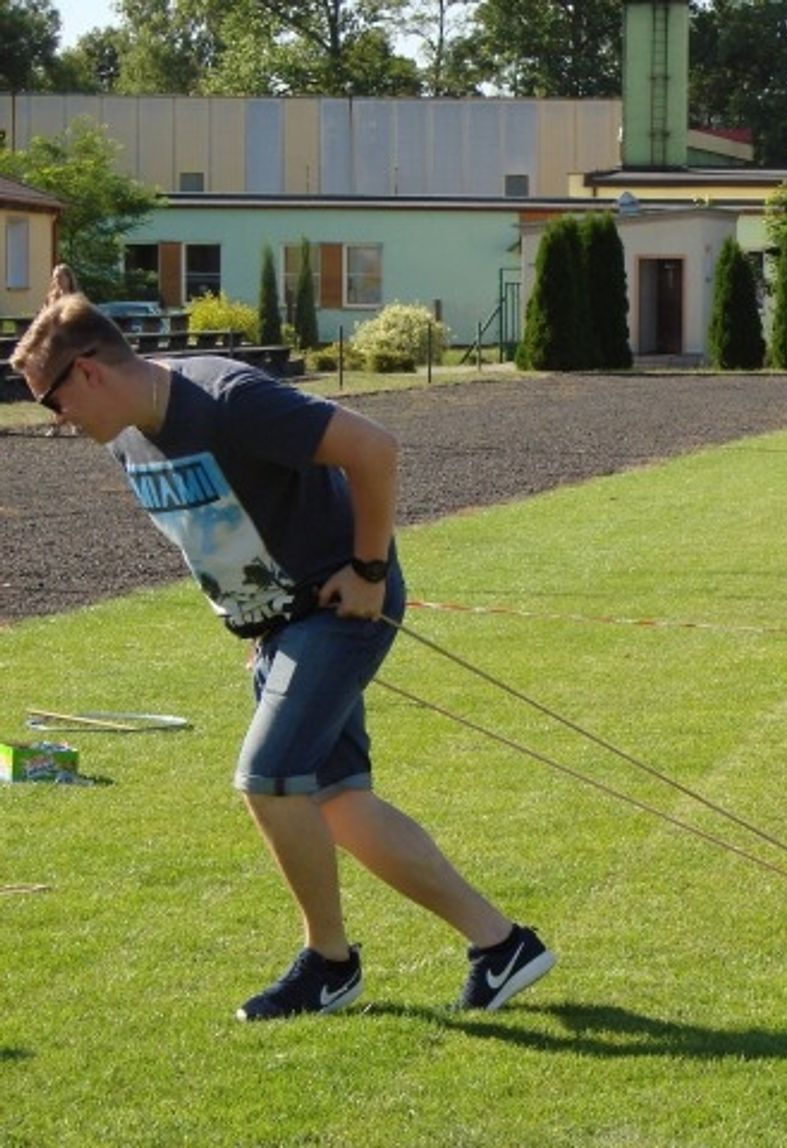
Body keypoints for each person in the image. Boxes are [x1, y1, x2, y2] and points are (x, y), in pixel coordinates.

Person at [10, 271, 555, 1021]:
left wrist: (369, 571)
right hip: (282, 625)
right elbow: (217, 525)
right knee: (340, 804)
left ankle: (329, 965)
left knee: (268, 780)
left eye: (53, 401)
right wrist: (256, 619)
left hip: (341, 603)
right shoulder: (124, 433)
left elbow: (374, 449)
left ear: (91, 372)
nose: (58, 421)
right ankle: (502, 946)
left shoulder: (228, 400)